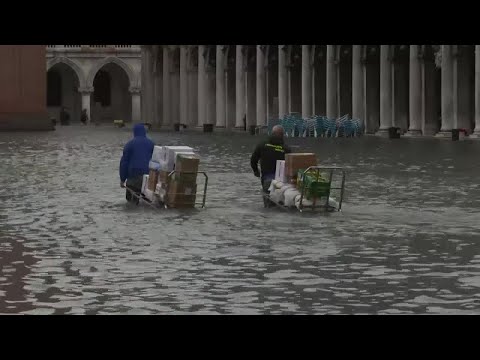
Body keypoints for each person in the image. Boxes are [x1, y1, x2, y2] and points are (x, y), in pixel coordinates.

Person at [250, 125, 291, 202]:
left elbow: (253, 160)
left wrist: (256, 171)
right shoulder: (286, 148)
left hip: (267, 181)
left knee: (269, 206)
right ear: (282, 135)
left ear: (272, 133)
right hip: (282, 183)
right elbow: (292, 165)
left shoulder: (262, 145)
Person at [119, 124, 155, 203]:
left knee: (132, 202)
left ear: (134, 132)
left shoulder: (129, 144)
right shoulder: (151, 144)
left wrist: (122, 179)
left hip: (133, 177)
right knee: (147, 202)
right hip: (148, 177)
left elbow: (124, 163)